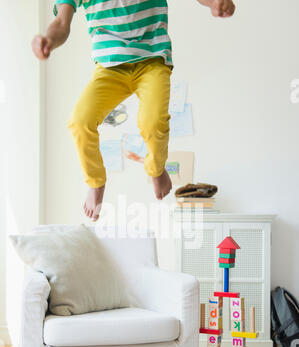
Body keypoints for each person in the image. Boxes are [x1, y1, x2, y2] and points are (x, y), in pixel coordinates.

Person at [32, 0, 235, 221]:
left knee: (153, 122)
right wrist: (49, 40)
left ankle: (156, 169)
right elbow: (62, 22)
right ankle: (96, 182)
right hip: (109, 69)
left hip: (152, 61)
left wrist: (214, 2)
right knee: (79, 121)